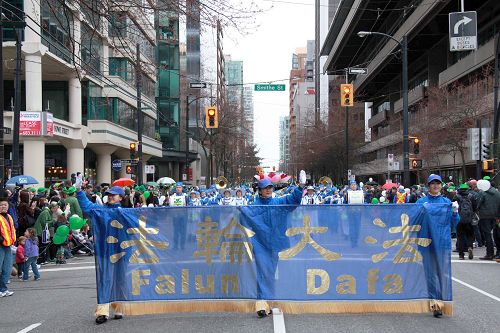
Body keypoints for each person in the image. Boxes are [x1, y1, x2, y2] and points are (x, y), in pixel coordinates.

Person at [251, 177, 305, 318]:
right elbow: (243, 218)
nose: (268, 190)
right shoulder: (254, 206)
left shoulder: (278, 202)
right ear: (260, 190)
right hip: (260, 244)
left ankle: (268, 300)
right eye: (265, 188)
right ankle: (261, 305)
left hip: (274, 244)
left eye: (270, 187)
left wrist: (300, 187)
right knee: (262, 272)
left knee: (269, 272)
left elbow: (293, 200)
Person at [75, 178, 125, 325]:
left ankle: (118, 308)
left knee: (119, 280)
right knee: (105, 280)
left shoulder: (126, 212)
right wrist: (79, 191)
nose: (110, 196)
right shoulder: (100, 210)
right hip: (104, 251)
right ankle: (103, 312)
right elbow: (86, 206)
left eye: (113, 195)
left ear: (121, 198)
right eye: (109, 194)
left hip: (122, 252)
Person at [416, 174, 459, 317]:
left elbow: (453, 224)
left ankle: (443, 301)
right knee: (430, 275)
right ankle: (436, 304)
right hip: (426, 242)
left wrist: (455, 212)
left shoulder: (446, 202)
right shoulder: (421, 201)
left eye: (438, 183)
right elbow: (413, 221)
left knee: (442, 273)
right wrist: (421, 211)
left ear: (441, 186)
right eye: (432, 183)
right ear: (428, 186)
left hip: (442, 243)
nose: (435, 186)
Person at [476, 180, 500, 260]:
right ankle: (497, 253)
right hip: (496, 216)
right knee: (496, 235)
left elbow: (478, 204)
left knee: (487, 235)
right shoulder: (497, 192)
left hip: (485, 216)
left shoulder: (482, 193)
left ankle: (489, 253)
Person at [454, 184, 477, 260]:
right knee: (470, 235)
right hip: (469, 219)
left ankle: (461, 255)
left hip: (459, 219)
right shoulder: (471, 196)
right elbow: (475, 207)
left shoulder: (456, 196)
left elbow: (453, 207)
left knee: (460, 237)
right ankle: (470, 247)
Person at [0, 190, 16, 297]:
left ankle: (3, 289)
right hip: (1, 245)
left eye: (5, 205)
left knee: (7, 268)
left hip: (8, 245)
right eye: (1, 205)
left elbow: (12, 230)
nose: (3, 206)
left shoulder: (9, 217)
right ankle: (2, 289)